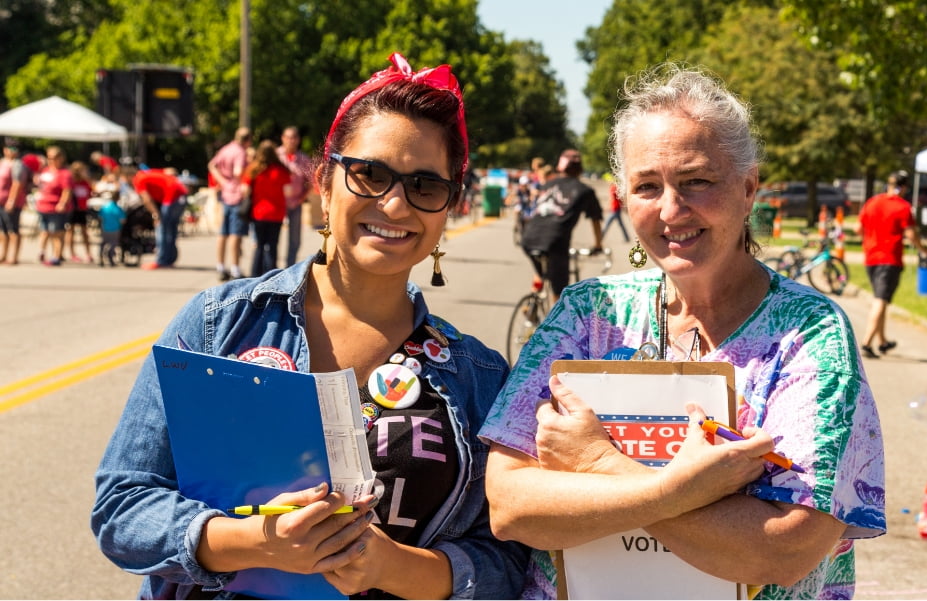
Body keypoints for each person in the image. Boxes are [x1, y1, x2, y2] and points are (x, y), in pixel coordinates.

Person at [91, 52, 529, 599]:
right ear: (324, 183)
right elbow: (122, 505)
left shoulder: (479, 375)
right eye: (369, 175)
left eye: (425, 186)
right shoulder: (219, 323)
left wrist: (391, 567)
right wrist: (249, 541)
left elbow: (512, 563)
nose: (394, 204)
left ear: (448, 208)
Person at [481, 63, 886, 599]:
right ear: (624, 198)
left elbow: (783, 549)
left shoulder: (808, 332)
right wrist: (684, 492)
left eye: (697, 181)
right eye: (648, 186)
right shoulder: (587, 314)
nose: (672, 209)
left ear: (748, 187)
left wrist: (600, 464)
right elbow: (510, 505)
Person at [857, 171, 927, 359]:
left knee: (881, 298)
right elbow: (911, 234)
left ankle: (882, 341)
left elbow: (858, 228)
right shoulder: (903, 207)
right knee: (880, 300)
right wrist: (923, 250)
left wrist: (869, 242)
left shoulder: (872, 202)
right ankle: (866, 342)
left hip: (870, 258)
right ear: (904, 187)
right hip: (889, 259)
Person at [518, 148, 604, 300]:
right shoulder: (585, 190)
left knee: (541, 272)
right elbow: (595, 219)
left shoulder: (547, 184)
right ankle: (557, 319)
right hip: (555, 241)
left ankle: (532, 308)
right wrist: (598, 245)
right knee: (560, 293)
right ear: (580, 169)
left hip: (528, 237)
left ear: (559, 167)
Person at [243, 139, 292, 277]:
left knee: (259, 245)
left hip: (258, 213)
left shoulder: (253, 169)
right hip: (276, 213)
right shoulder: (281, 171)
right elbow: (288, 191)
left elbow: (245, 190)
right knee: (273, 245)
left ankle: (255, 274)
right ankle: (271, 274)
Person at [208, 127, 252, 280]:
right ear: (248, 140)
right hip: (236, 194)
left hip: (225, 193)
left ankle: (220, 266)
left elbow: (211, 165)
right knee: (235, 234)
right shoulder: (240, 152)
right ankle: (235, 268)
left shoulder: (226, 149)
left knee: (223, 232)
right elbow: (238, 172)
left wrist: (221, 181)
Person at [132, 167, 189, 269]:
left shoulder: (138, 179)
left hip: (171, 195)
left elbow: (147, 199)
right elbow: (171, 171)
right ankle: (170, 259)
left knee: (161, 228)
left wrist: (155, 215)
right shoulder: (147, 173)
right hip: (182, 193)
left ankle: (161, 260)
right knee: (171, 229)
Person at [276, 125, 313, 266]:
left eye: (294, 138)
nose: (291, 141)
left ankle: (289, 266)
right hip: (277, 204)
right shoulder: (275, 156)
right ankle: (271, 267)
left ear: (298, 140)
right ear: (283, 138)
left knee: (295, 238)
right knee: (274, 237)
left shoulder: (303, 159)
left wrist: (301, 199)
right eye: (288, 137)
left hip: (295, 204)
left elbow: (310, 181)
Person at [35, 146, 73, 266]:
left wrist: (62, 203)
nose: (51, 160)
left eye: (54, 157)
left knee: (57, 232)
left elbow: (67, 190)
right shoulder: (45, 170)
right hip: (43, 205)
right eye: (49, 157)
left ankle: (56, 256)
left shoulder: (65, 173)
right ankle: (42, 251)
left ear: (61, 158)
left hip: (56, 207)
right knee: (44, 231)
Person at [0, 139, 32, 265]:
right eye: (8, 148)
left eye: (13, 149)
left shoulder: (18, 165)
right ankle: (4, 254)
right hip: (1, 200)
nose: (10, 151)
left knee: (13, 230)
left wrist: (11, 201)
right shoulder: (2, 163)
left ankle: (14, 257)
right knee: (3, 231)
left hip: (12, 202)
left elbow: (17, 184)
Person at [64, 160, 96, 263]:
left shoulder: (85, 182)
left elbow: (93, 190)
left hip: (82, 209)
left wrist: (87, 178)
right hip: (73, 209)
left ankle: (88, 253)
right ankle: (72, 253)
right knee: (70, 232)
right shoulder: (71, 182)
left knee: (84, 232)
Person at [97, 189, 126, 267]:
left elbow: (100, 218)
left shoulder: (105, 207)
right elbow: (123, 220)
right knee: (113, 244)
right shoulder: (118, 209)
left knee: (103, 244)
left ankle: (100, 258)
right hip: (115, 229)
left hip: (105, 228)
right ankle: (110, 258)